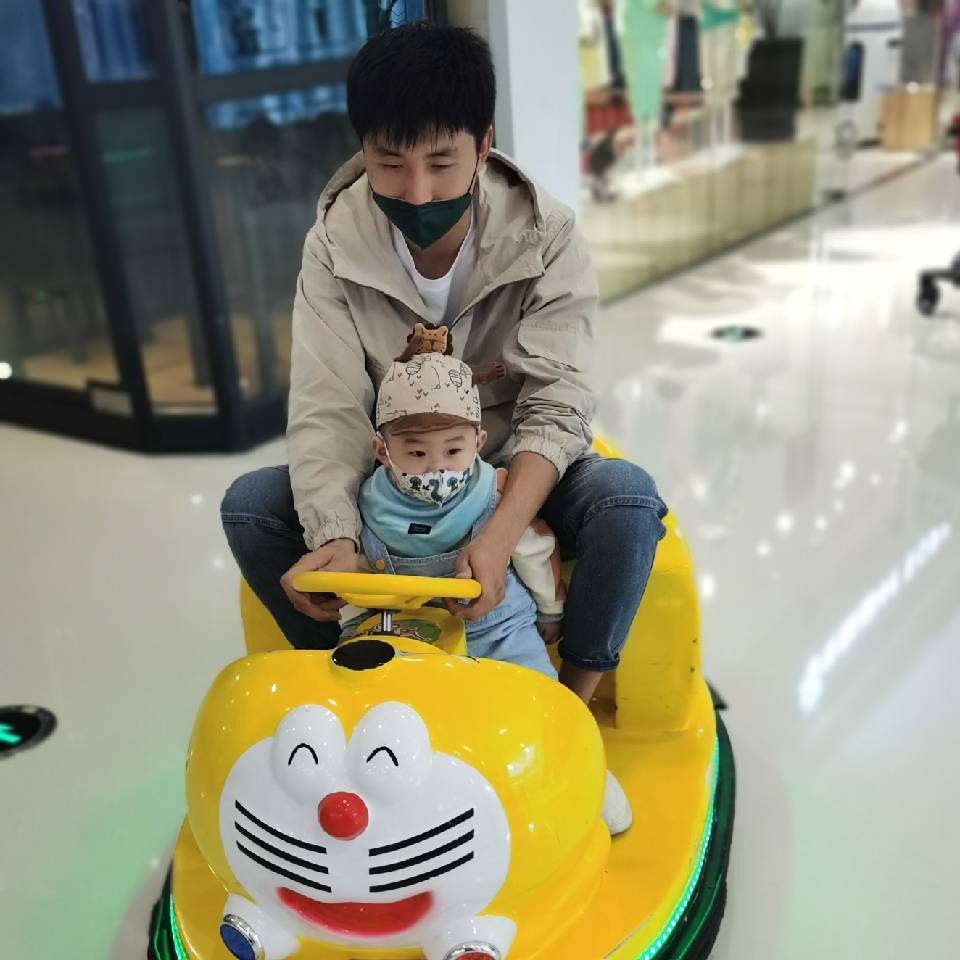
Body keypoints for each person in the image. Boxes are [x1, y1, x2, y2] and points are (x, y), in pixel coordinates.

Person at [220, 21, 668, 834]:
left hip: (510, 468)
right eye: (390, 162)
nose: (418, 192)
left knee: (628, 502)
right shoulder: (333, 246)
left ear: (483, 145)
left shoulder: (547, 236)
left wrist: (498, 532)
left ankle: (566, 725)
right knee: (251, 507)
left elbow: (557, 403)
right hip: (391, 480)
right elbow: (325, 409)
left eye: (441, 162)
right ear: (362, 149)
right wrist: (336, 536)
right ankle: (352, 698)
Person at [338, 340, 563, 681]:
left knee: (536, 691)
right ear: (383, 452)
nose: (437, 468)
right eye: (417, 454)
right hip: (405, 636)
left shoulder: (496, 493)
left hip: (499, 631)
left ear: (478, 443)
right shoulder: (367, 505)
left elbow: (536, 552)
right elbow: (354, 575)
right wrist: (352, 624)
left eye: (454, 451)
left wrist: (551, 609)